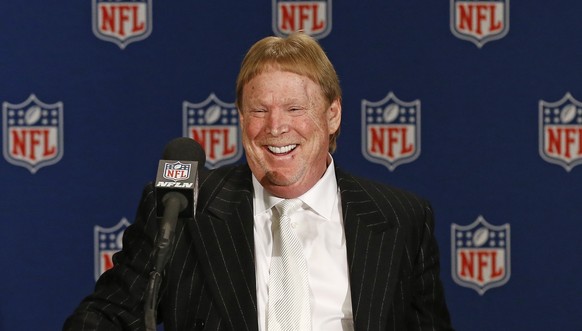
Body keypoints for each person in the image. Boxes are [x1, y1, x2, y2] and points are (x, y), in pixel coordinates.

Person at [64, 32, 453, 331]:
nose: (276, 127)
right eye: (259, 110)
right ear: (240, 117)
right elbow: (100, 320)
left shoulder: (402, 219)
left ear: (332, 114)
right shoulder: (183, 211)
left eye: (295, 108)